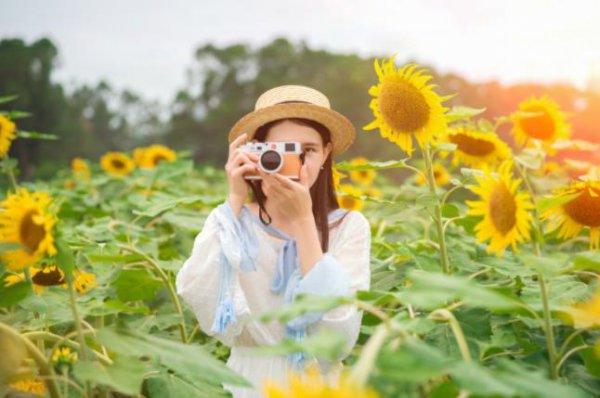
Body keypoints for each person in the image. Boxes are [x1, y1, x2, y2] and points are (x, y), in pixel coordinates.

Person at [175, 85, 371, 398]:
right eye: (279, 152)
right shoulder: (230, 221)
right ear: (256, 153)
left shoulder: (349, 226)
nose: (294, 163)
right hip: (247, 383)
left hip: (320, 387)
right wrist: (235, 198)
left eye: (307, 151)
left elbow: (339, 336)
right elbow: (200, 297)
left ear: (327, 153)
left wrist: (304, 220)